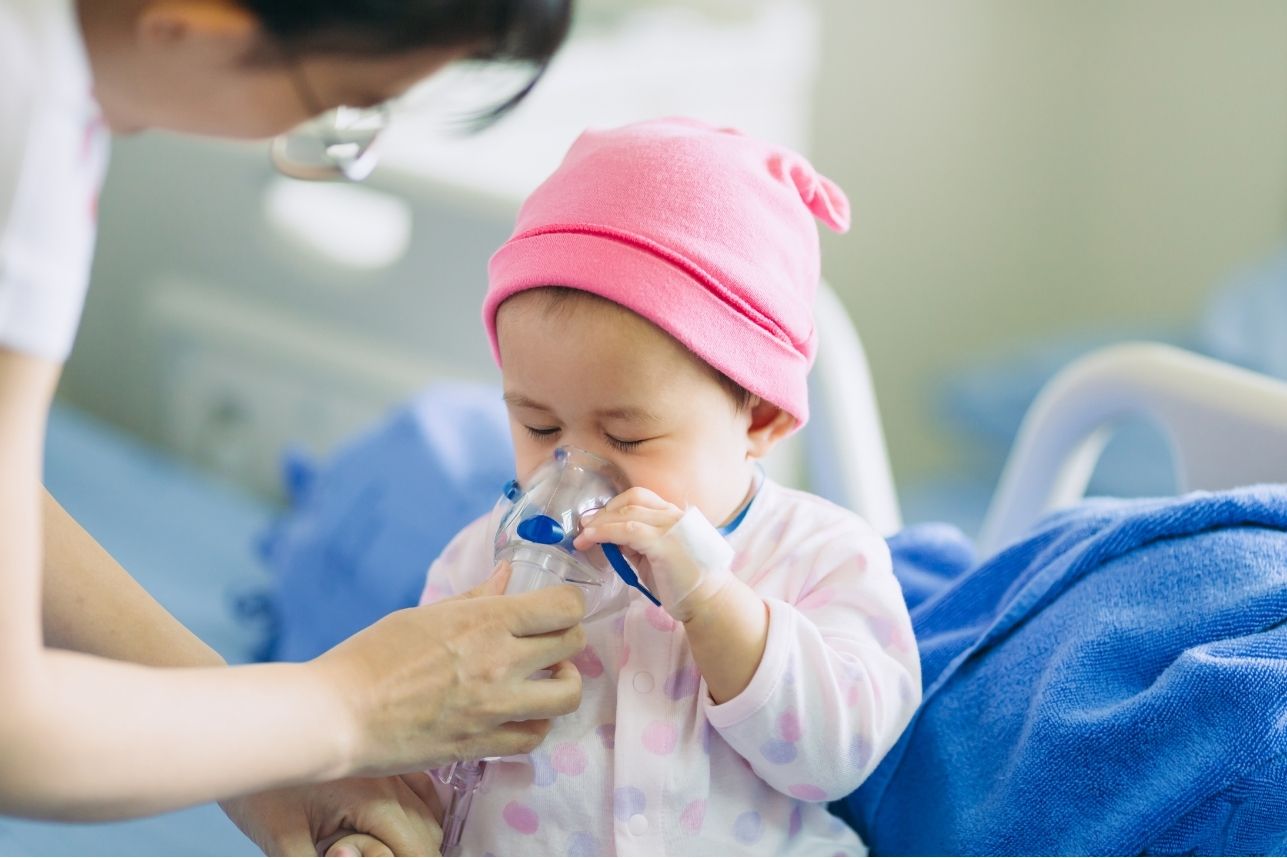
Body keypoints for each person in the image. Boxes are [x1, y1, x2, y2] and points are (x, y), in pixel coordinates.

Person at [0, 2, 589, 854]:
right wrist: (349, 707)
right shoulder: (28, 122)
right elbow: (17, 731)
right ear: (188, 27)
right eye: (352, 101)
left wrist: (263, 760)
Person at [418, 117, 922, 854]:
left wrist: (714, 604)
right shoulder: (484, 565)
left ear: (761, 417)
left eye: (626, 437)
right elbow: (426, 745)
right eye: (537, 426)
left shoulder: (821, 555)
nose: (574, 468)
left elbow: (835, 759)